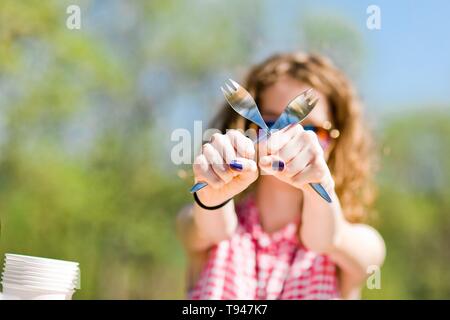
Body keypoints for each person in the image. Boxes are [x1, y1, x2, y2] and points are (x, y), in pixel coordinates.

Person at [176, 52, 385, 299]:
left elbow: (326, 239)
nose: (290, 138)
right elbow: (211, 229)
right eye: (271, 123)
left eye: (312, 130)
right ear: (247, 129)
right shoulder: (199, 224)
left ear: (336, 144)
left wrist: (319, 184)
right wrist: (212, 196)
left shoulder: (362, 245)